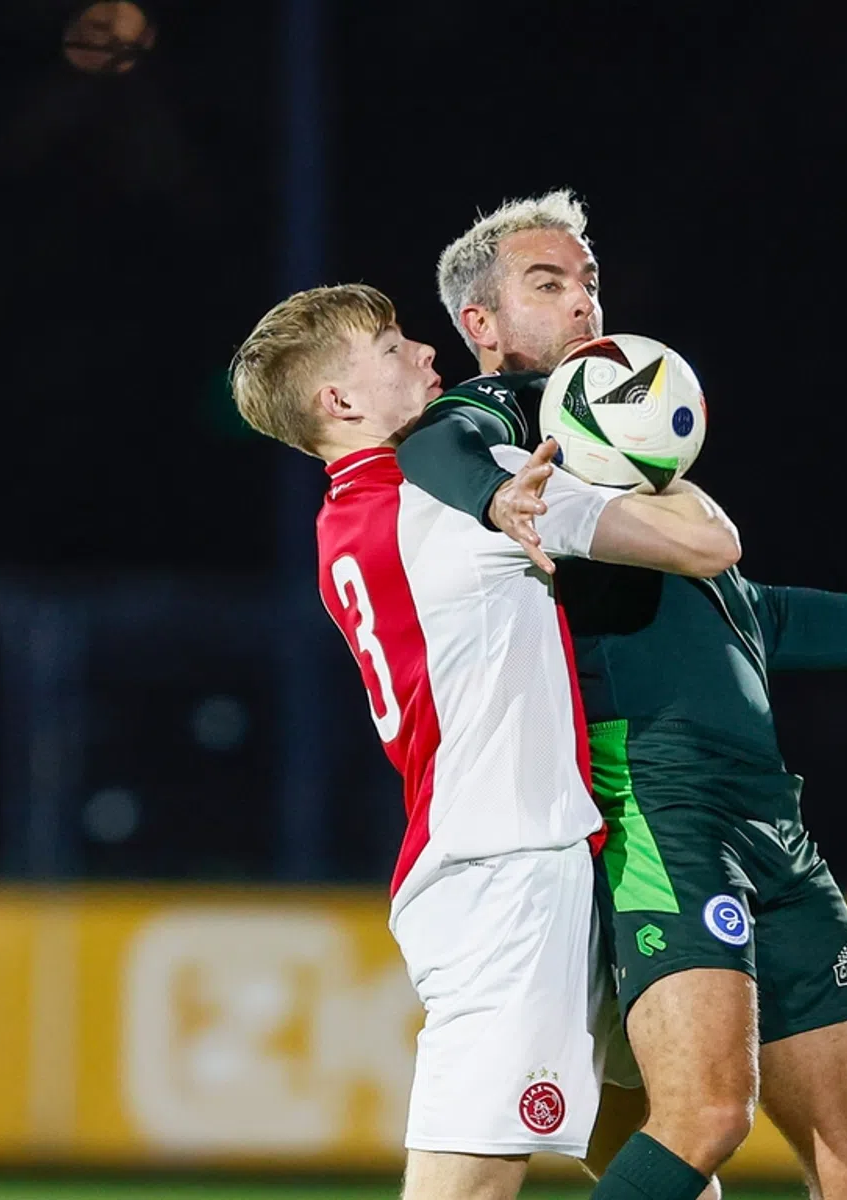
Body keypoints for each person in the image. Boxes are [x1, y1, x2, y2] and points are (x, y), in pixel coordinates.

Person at [395, 193, 847, 1200]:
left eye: (589, 279)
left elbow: (756, 616)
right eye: (547, 284)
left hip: (766, 814)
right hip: (658, 796)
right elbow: (431, 444)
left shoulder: (611, 442)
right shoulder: (513, 427)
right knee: (701, 1116)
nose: (582, 302)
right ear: (481, 324)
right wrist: (495, 492)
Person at [228, 283, 744, 1200]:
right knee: (464, 1188)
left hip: (517, 853)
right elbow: (706, 547)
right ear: (339, 403)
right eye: (391, 349)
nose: (427, 355)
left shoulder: (348, 519)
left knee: (664, 1152)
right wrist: (648, 445)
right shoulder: (459, 508)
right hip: (505, 872)